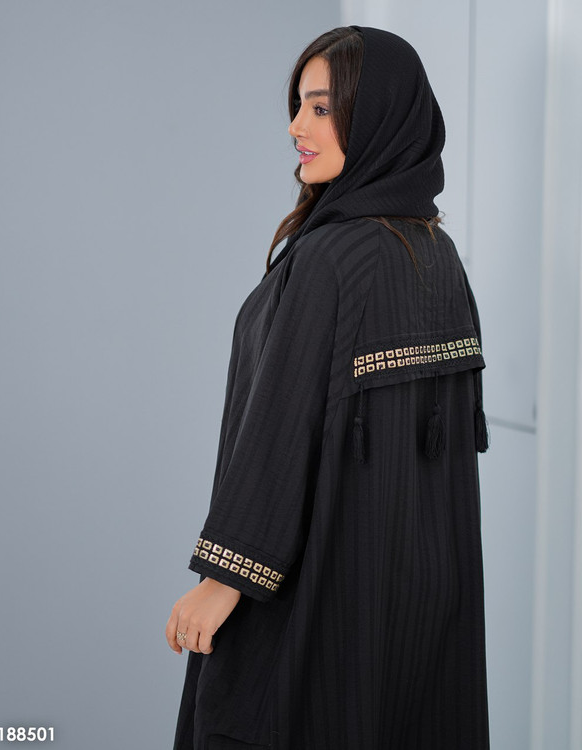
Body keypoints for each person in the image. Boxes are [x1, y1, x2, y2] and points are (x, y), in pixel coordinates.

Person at [165, 25, 491, 750]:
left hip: (323, 591)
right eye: (298, 106)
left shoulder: (331, 259)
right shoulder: (439, 254)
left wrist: (223, 579)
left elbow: (283, 425)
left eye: (320, 107)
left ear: (378, 117)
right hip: (416, 598)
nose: (296, 127)